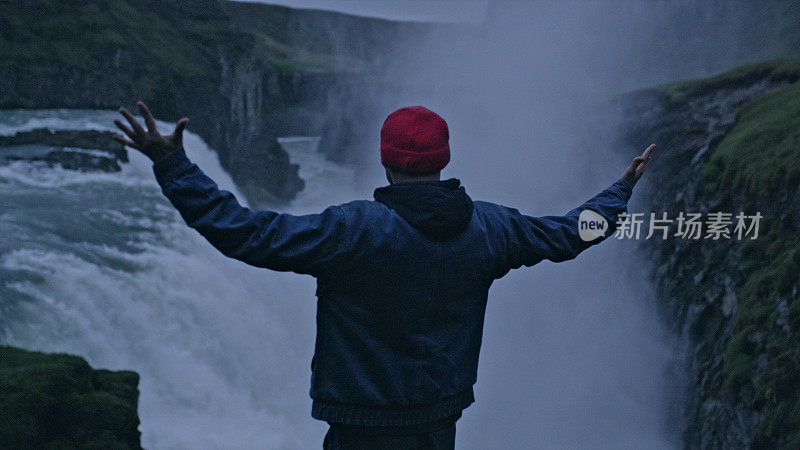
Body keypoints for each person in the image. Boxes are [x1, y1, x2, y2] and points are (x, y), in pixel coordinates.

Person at [113, 101, 654, 450]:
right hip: (438, 428)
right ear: (443, 160)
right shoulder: (492, 228)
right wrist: (617, 192)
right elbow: (568, 235)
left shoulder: (353, 230)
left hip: (361, 430)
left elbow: (243, 233)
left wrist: (173, 165)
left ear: (385, 161)